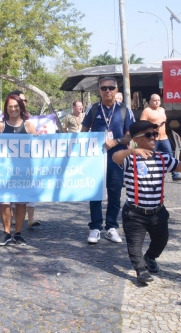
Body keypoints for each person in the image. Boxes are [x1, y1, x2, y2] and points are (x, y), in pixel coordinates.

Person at [112, 120, 181, 283]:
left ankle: (150, 257)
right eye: (149, 134)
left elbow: (179, 167)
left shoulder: (163, 158)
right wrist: (132, 152)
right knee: (134, 245)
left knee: (161, 240)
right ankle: (141, 270)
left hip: (158, 212)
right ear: (136, 139)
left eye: (155, 134)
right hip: (135, 213)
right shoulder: (131, 159)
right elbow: (116, 157)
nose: (154, 137)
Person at [81, 77, 135, 244]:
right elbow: (83, 132)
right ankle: (95, 227)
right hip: (96, 158)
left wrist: (117, 141)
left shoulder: (124, 110)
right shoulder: (94, 108)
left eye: (111, 88)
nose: (108, 91)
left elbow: (131, 134)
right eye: (104, 88)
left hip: (116, 157)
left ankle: (111, 227)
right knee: (95, 192)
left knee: (115, 192)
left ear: (116, 90)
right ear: (99, 91)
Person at [0, 95, 37, 246]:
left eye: (16, 106)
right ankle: (6, 233)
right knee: (4, 203)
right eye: (10, 106)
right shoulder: (0, 126)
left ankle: (18, 233)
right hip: (4, 172)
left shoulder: (29, 126)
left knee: (20, 203)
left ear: (21, 107)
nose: (13, 109)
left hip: (23, 172)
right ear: (6, 108)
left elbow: (36, 150)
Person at [8, 90, 40, 227]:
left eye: (23, 101)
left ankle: (30, 219)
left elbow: (37, 143)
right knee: (13, 194)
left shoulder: (29, 124)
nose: (22, 104)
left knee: (27, 193)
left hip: (26, 166)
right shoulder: (1, 124)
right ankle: (15, 219)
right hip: (9, 167)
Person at [140, 94, 181, 182]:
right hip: (153, 138)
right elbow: (142, 125)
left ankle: (175, 175)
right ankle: (146, 176)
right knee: (150, 157)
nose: (157, 102)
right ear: (150, 101)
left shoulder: (162, 110)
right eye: (155, 100)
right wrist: (153, 126)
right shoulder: (147, 111)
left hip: (164, 137)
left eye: (158, 100)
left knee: (170, 156)